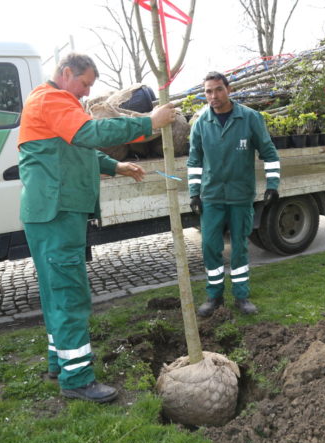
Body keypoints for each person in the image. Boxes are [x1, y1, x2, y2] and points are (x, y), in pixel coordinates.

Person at [18, 53, 175, 403]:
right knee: (70, 293)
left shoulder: (51, 103)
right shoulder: (52, 98)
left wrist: (116, 166)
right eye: (85, 83)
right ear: (66, 72)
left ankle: (60, 363)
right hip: (57, 213)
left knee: (56, 292)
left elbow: (75, 148)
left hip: (50, 212)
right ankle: (78, 379)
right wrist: (149, 122)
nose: (87, 92)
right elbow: (89, 132)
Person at [187, 71, 280, 317]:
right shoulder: (200, 124)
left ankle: (241, 296)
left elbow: (269, 153)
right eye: (208, 91)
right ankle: (214, 296)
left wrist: (272, 184)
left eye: (218, 89)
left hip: (240, 196)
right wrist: (194, 193)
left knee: (239, 247)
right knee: (210, 246)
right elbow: (194, 161)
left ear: (228, 89)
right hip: (212, 197)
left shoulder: (249, 118)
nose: (213, 96)